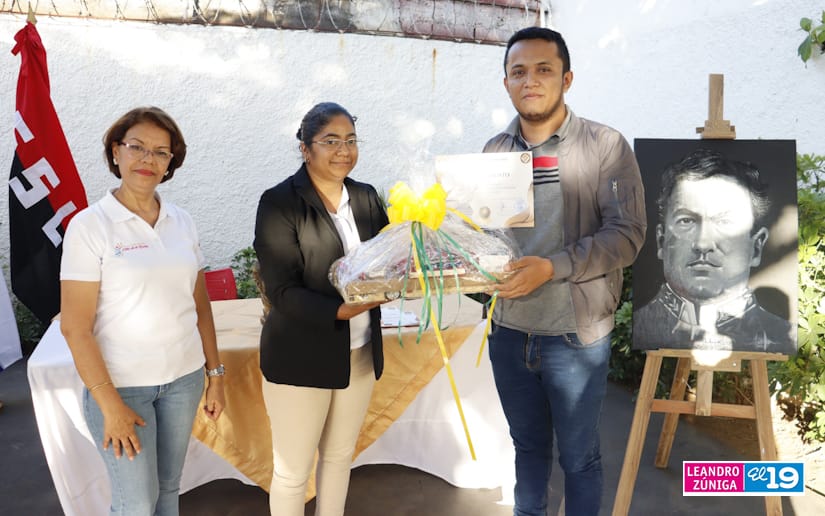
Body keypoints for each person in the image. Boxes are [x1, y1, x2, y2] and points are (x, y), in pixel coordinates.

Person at [482, 27, 647, 516]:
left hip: (575, 337)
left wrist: (551, 267)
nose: (530, 80)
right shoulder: (494, 152)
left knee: (579, 459)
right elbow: (485, 236)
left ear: (566, 79)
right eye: (518, 72)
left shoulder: (605, 145)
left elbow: (628, 234)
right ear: (506, 83)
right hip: (509, 333)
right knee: (528, 450)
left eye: (543, 69)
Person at [60, 106, 225, 516]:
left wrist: (215, 374)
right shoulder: (90, 226)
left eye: (160, 152)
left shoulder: (182, 222)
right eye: (137, 147)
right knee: (135, 503)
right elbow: (75, 328)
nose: (147, 159)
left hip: (183, 381)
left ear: (171, 162)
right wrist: (109, 405)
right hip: (122, 388)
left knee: (168, 490)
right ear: (116, 151)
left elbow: (200, 305)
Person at [253, 102, 389, 516]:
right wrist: (339, 312)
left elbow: (390, 258)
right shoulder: (279, 203)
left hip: (359, 354)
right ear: (305, 148)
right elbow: (281, 290)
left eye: (350, 140)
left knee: (339, 457)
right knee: (293, 473)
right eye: (331, 141)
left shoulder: (365, 197)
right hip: (300, 357)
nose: (343, 150)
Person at [633, 148, 795, 353]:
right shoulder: (640, 329)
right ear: (661, 241)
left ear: (756, 247)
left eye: (725, 221)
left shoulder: (783, 338)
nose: (703, 244)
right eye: (686, 220)